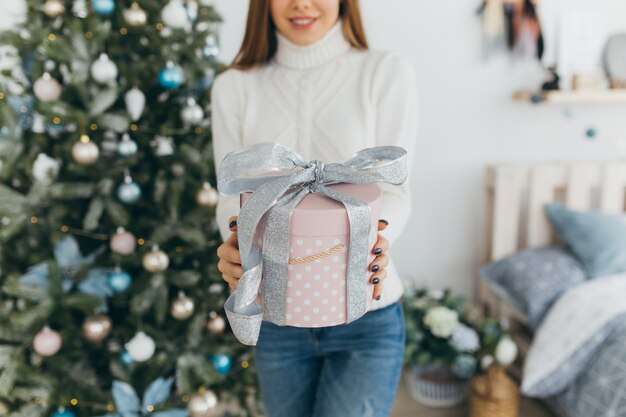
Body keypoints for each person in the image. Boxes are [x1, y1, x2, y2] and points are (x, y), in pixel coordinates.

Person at [212, 1, 417, 416]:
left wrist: (376, 240)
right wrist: (235, 242)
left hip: (368, 318)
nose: (301, 4)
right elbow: (231, 196)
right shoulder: (234, 86)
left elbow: (396, 190)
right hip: (276, 319)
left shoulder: (384, 71)